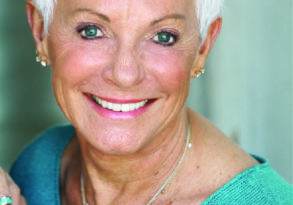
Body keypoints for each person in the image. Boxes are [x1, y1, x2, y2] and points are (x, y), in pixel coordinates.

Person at [1, 0, 292, 204]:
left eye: (163, 37)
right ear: (41, 30)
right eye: (91, 31)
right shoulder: (37, 168)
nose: (125, 74)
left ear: (203, 46)